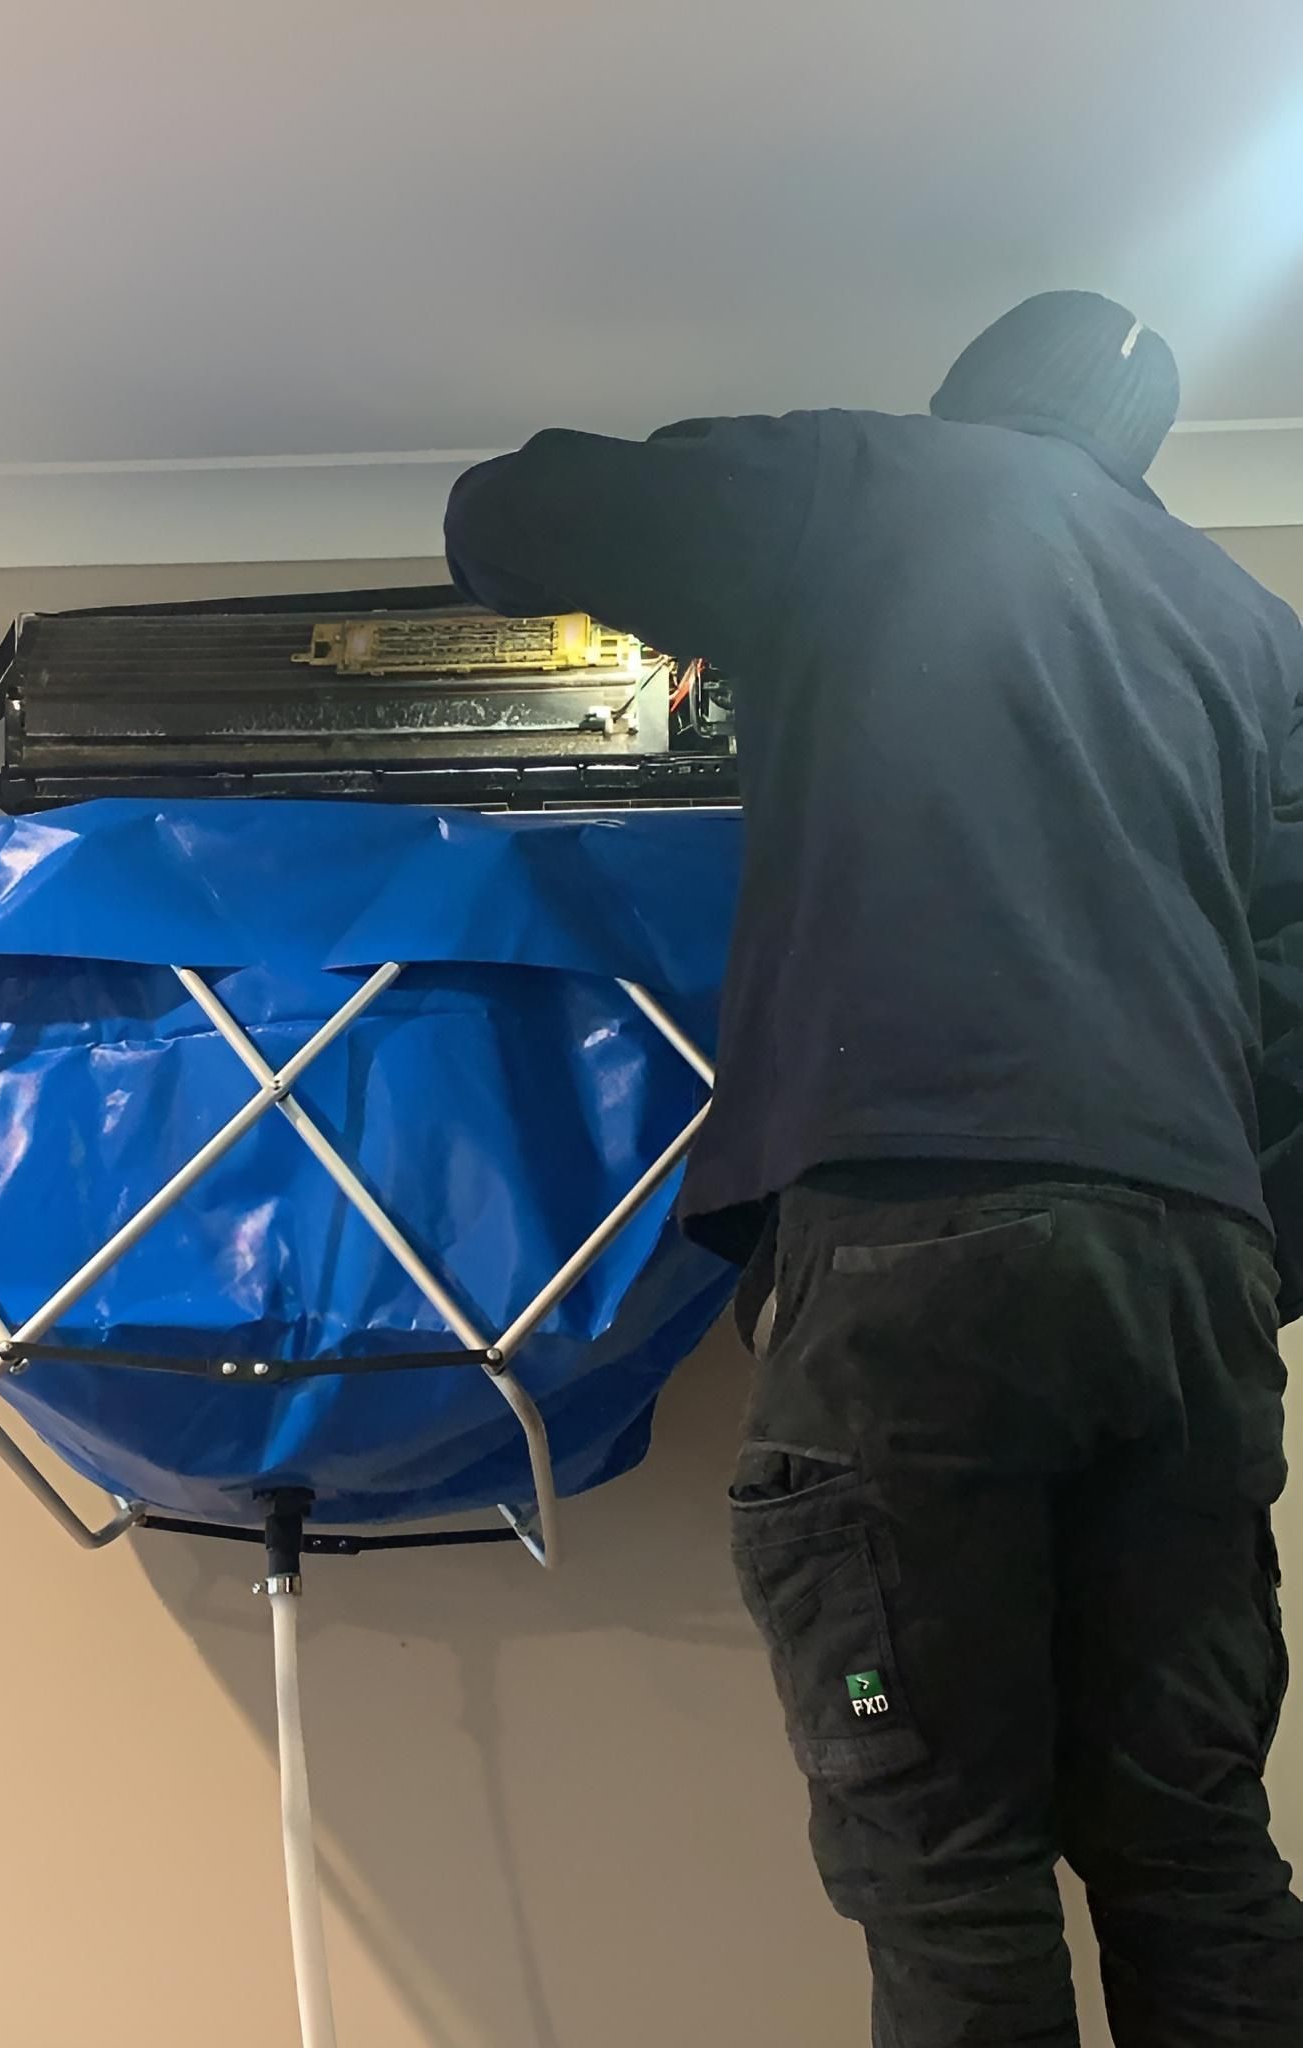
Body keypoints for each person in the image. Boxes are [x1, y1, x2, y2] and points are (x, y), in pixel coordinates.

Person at [443, 290, 1303, 2046]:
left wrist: (772, 549)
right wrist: (1226, 1243)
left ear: (964, 401)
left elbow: (508, 517)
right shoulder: (1254, 637)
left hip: (920, 1228)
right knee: (1192, 1847)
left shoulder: (881, 484)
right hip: (1194, 1276)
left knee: (945, 1865)